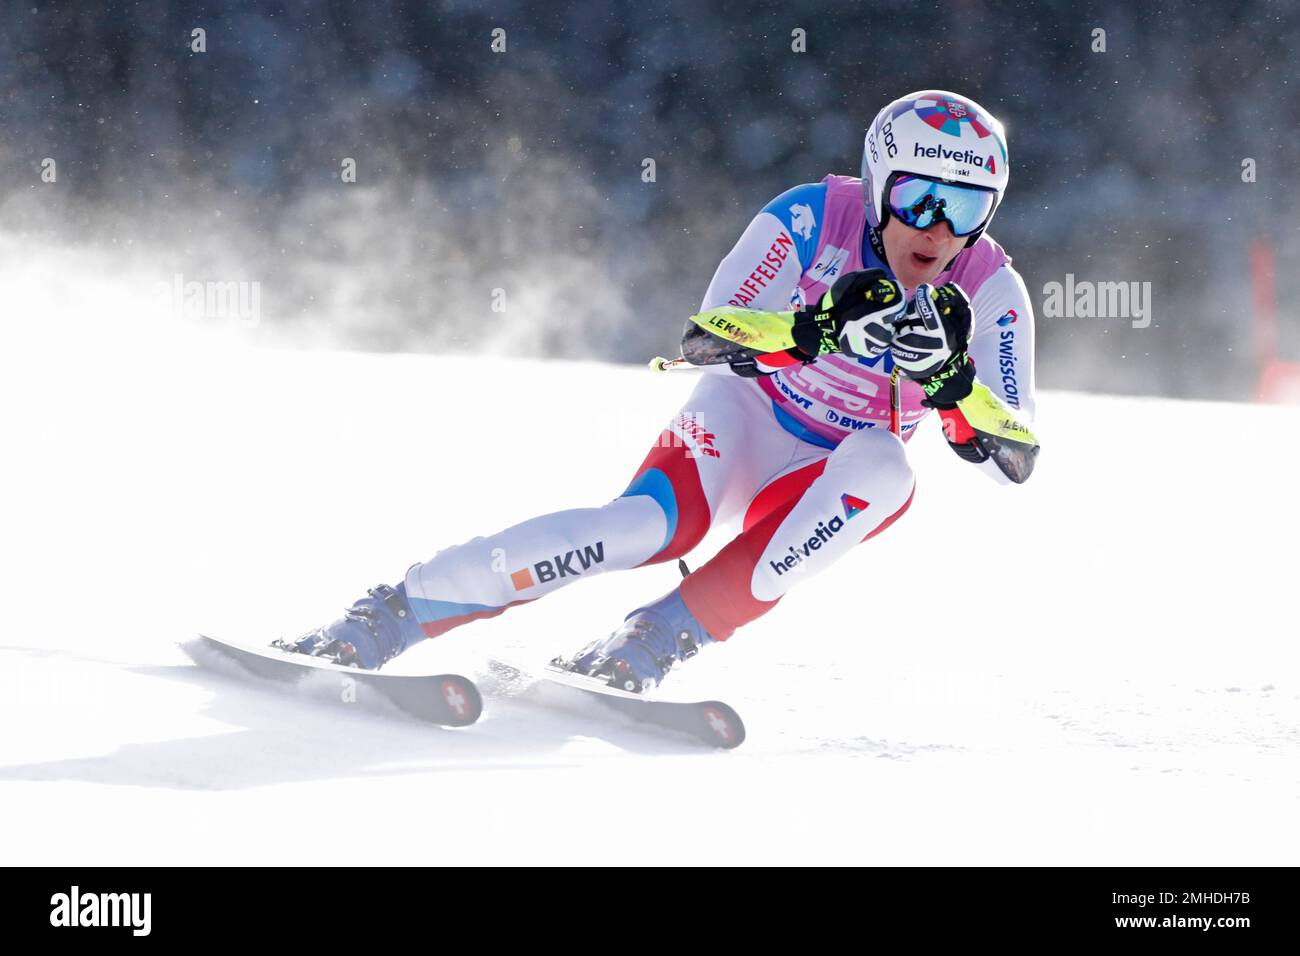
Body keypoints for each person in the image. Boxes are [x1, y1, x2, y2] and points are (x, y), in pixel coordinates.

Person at [287, 90, 1040, 692]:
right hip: (744, 420)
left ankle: (653, 640)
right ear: (878, 186)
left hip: (827, 471)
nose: (938, 229)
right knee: (645, 529)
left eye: (967, 206)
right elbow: (706, 340)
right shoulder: (812, 215)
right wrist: (814, 328)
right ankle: (392, 614)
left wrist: (952, 385)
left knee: (887, 469)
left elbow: (1013, 455)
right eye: (919, 199)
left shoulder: (992, 288)